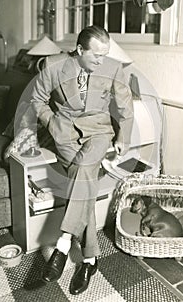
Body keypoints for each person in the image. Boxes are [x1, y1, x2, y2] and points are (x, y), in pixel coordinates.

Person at [31, 25, 134, 295]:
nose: (102, 60)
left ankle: (62, 244)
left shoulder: (113, 68)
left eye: (105, 54)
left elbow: (125, 106)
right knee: (84, 182)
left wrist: (123, 137)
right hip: (64, 135)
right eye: (96, 55)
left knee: (85, 168)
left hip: (99, 132)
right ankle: (89, 260)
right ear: (79, 50)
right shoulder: (54, 66)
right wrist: (51, 122)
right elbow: (37, 99)